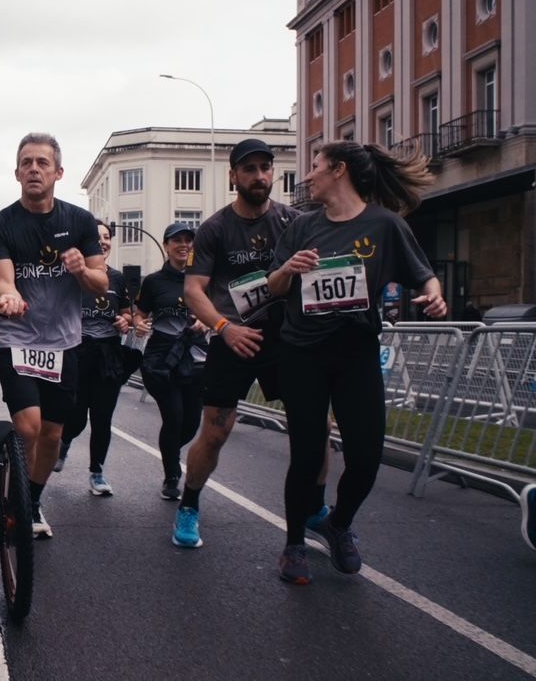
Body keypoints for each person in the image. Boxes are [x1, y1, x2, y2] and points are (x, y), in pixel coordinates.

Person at [266, 141, 446, 584]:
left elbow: (424, 274)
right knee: (306, 456)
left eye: (315, 167)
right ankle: (293, 545)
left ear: (339, 170)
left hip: (356, 352)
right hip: (302, 352)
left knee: (367, 456)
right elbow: (272, 287)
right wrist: (289, 268)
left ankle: (339, 523)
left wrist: (435, 294)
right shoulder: (303, 226)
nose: (307, 176)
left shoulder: (385, 225)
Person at [171, 138, 328, 549]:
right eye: (250, 169)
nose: (259, 176)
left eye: (266, 168)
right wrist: (224, 327)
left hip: (288, 339)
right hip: (234, 336)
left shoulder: (295, 222)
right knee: (217, 431)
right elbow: (193, 291)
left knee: (313, 426)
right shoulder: (215, 229)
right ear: (233, 176)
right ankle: (189, 504)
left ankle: (317, 509)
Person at [0, 133, 107, 538]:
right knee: (30, 426)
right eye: (26, 162)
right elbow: (3, 279)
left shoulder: (80, 222)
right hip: (17, 339)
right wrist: (11, 294)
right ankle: (12, 491)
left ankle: (31, 500)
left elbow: (101, 284)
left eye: (42, 163)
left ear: (58, 172)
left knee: (53, 432)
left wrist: (81, 271)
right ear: (17, 171)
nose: (34, 169)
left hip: (64, 344)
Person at [54, 220, 134, 498]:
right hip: (77, 352)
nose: (103, 241)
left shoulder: (118, 278)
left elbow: (128, 314)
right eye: (96, 237)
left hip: (108, 355)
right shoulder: (71, 276)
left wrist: (125, 321)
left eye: (107, 236)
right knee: (75, 418)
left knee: (102, 418)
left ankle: (97, 472)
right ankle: (63, 443)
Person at [134, 223, 207, 517]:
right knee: (174, 417)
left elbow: (219, 309)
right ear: (166, 245)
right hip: (162, 360)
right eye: (177, 240)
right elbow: (140, 313)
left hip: (196, 358)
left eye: (189, 240)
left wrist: (208, 321)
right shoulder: (153, 282)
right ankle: (172, 476)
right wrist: (138, 323)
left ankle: (171, 452)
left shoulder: (202, 279)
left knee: (191, 422)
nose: (184, 245)